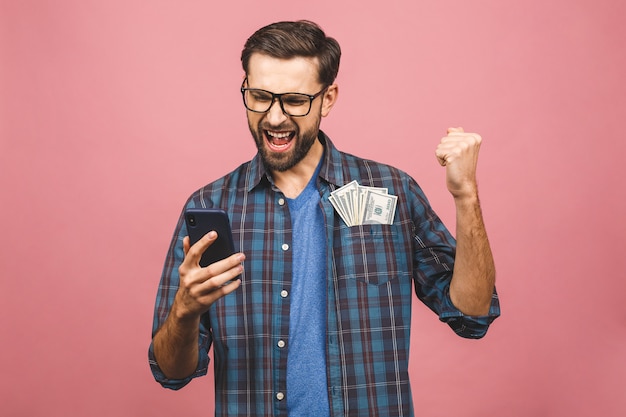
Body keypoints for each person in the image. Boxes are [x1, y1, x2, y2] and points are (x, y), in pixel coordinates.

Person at [149, 20, 500, 417]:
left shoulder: (392, 191)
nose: (275, 117)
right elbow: (170, 372)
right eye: (260, 96)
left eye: (295, 100)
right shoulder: (213, 206)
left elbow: (472, 315)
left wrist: (465, 195)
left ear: (328, 99)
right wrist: (185, 309)